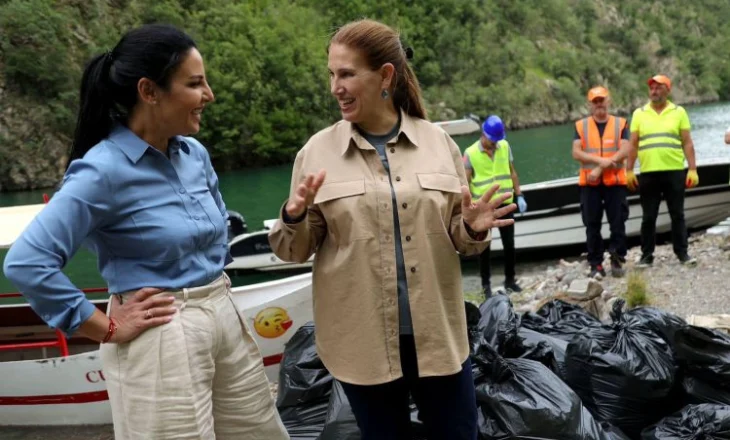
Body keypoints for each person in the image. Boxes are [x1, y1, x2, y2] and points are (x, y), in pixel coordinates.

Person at [2, 24, 288, 440]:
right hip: (162, 332)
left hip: (224, 312)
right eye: (195, 83)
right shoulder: (101, 170)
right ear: (149, 92)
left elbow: (216, 230)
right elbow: (27, 262)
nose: (209, 95)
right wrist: (104, 327)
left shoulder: (194, 154)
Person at [268, 19, 516, 440]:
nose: (335, 87)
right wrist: (293, 216)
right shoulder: (316, 152)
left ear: (385, 76)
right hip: (360, 342)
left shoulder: (439, 144)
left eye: (346, 74)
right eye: (331, 74)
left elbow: (460, 239)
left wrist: (472, 229)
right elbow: (294, 252)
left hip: (438, 335)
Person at [627, 74, 698, 267]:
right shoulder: (639, 114)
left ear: (667, 90)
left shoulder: (679, 112)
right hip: (649, 173)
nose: (654, 91)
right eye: (651, 88)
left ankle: (682, 253)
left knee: (678, 214)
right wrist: (629, 170)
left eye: (658, 87)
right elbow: (633, 144)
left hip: (674, 171)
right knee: (649, 216)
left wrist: (692, 169)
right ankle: (646, 255)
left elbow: (687, 142)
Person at [463, 115, 526, 295]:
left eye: (498, 139)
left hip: (505, 203)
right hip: (483, 209)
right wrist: (468, 208)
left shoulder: (504, 146)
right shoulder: (470, 153)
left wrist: (519, 195)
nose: (495, 143)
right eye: (493, 140)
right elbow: (465, 183)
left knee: (509, 245)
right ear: (484, 134)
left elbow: (512, 173)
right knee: (483, 248)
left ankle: (510, 280)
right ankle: (486, 286)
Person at [572, 86, 631, 278]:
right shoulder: (581, 126)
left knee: (618, 222)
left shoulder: (620, 123)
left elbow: (625, 150)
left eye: (602, 100)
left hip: (615, 183)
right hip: (590, 185)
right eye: (595, 101)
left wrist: (599, 168)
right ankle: (595, 264)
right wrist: (600, 162)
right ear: (590, 104)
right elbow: (576, 152)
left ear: (608, 101)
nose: (599, 104)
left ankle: (617, 258)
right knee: (592, 224)